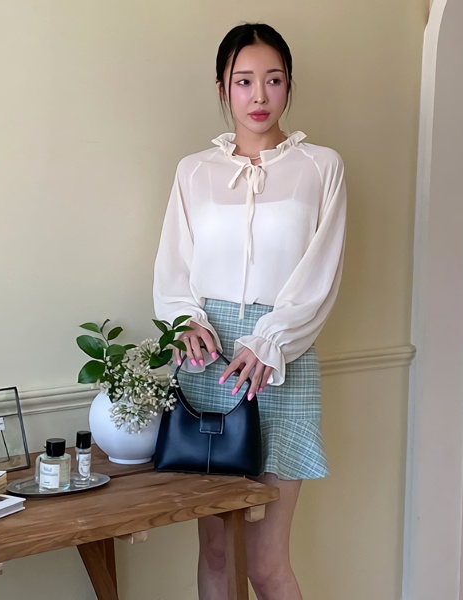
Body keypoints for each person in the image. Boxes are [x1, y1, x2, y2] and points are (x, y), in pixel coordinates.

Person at [153, 22, 347, 600]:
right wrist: (185, 320)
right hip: (208, 359)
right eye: (243, 81)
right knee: (216, 552)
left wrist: (270, 341)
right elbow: (174, 263)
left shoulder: (322, 167)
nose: (259, 95)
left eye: (273, 79)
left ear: (289, 85)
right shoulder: (193, 171)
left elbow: (321, 272)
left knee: (266, 562)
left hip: (280, 361)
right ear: (222, 88)